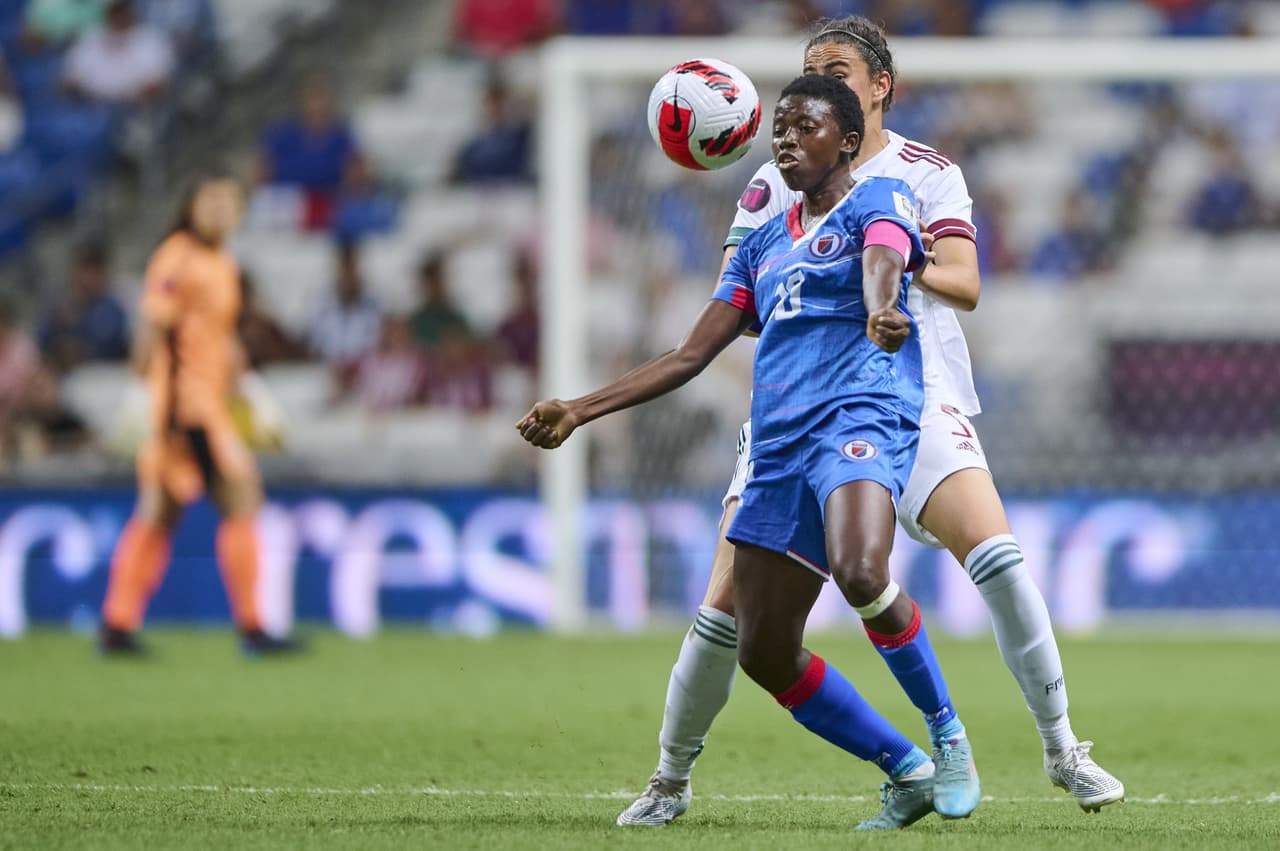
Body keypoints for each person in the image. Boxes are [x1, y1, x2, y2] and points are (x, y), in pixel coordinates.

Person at [614, 16, 1125, 827]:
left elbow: (965, 281)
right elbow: (736, 306)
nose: (822, 78)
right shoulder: (774, 182)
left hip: (913, 396)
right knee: (726, 609)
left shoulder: (925, 172)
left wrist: (895, 256)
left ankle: (1064, 749)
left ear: (879, 85)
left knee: (997, 556)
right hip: (798, 406)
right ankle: (670, 778)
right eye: (811, 68)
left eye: (840, 67)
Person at [520, 74, 979, 829]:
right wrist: (579, 407)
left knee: (863, 569)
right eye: (781, 129)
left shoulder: (881, 200)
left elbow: (885, 261)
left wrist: (882, 309)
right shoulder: (761, 243)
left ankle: (950, 736)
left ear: (849, 140)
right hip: (777, 445)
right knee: (764, 651)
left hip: (861, 416)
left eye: (807, 126)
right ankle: (907, 769)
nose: (788, 139)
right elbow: (688, 354)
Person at [98, 174, 300, 656]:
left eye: (229, 202)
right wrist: (141, 395)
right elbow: (154, 329)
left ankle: (116, 626)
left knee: (159, 512)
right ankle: (252, 628)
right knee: (241, 499)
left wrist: (247, 387)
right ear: (189, 205)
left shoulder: (222, 263)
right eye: (209, 200)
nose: (219, 211)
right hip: (185, 410)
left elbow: (219, 336)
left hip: (205, 405)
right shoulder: (178, 257)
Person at [39, 240, 131, 371]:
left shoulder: (113, 308)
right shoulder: (57, 302)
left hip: (104, 378)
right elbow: (42, 344)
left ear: (103, 272)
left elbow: (102, 349)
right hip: (62, 376)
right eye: (82, 270)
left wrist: (77, 321)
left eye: (93, 271)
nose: (87, 279)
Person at [62, 0, 175, 106]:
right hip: (89, 105)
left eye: (122, 10)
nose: (119, 15)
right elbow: (69, 80)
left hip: (131, 109)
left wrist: (126, 98)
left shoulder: (151, 39)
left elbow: (157, 84)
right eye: (116, 10)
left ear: (131, 11)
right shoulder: (90, 37)